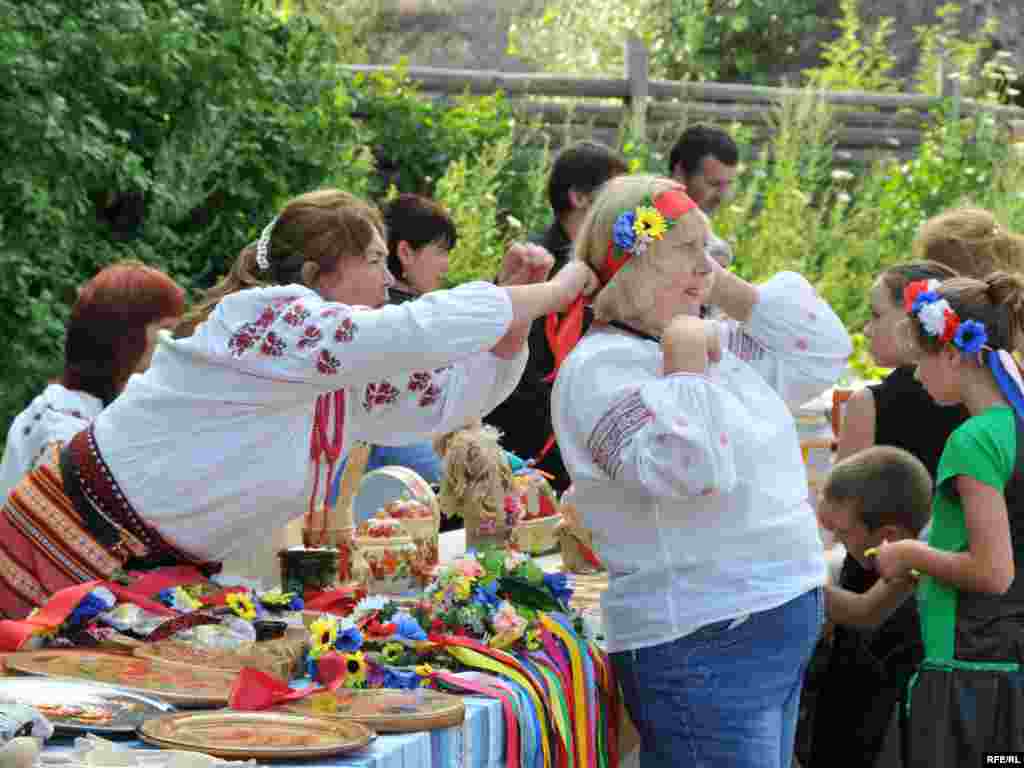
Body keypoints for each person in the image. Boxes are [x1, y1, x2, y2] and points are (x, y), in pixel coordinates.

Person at [0, 188, 596, 619]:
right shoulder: (265, 318)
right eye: (371, 261)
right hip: (59, 544)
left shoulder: (335, 366)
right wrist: (552, 290)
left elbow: (441, 400)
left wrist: (519, 316)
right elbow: (410, 329)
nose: (386, 281)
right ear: (320, 275)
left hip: (142, 571)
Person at [550, 174, 852, 767]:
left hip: (764, 631)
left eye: (708, 248)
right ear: (633, 264)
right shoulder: (600, 369)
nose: (706, 266)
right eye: (685, 251)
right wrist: (685, 365)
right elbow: (687, 473)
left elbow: (823, 349)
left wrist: (719, 287)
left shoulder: (704, 338)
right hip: (702, 642)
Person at [870, 271, 1024, 766]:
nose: (916, 375)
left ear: (954, 353)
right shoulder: (1014, 427)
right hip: (1006, 670)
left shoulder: (974, 440)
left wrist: (911, 553)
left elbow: (993, 571)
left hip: (969, 673)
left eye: (921, 360)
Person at [486, 141, 627, 492]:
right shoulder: (535, 263)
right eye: (614, 193)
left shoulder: (608, 263)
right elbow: (514, 361)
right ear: (579, 197)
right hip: (528, 442)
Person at [0, 262, 185, 501]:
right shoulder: (67, 432)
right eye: (165, 329)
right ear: (126, 334)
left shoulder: (56, 408)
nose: (170, 344)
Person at [810, 446, 933, 767]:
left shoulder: (918, 557)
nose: (838, 541)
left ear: (888, 535)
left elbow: (865, 611)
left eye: (843, 533)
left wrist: (795, 589)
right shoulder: (884, 543)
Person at [668, 124, 739, 268]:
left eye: (728, 184)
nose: (723, 196)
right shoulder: (654, 220)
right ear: (679, 174)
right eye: (714, 184)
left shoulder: (694, 219)